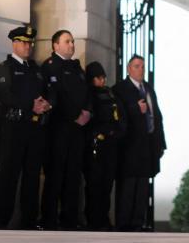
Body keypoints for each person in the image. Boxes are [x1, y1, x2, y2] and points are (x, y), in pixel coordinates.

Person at [0, 26, 51, 229]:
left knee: (32, 177)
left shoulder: (35, 69)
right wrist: (30, 105)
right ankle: (0, 221)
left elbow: (45, 93)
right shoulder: (5, 68)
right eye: (24, 42)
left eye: (30, 43)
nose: (28, 46)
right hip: (13, 129)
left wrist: (46, 104)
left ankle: (29, 221)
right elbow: (5, 95)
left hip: (34, 130)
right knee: (8, 176)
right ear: (14, 43)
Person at [40, 30, 91, 230]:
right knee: (55, 175)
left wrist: (87, 112)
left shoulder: (77, 68)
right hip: (58, 129)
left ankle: (70, 220)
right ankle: (49, 220)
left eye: (72, 41)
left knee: (73, 176)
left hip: (77, 130)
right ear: (55, 45)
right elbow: (56, 96)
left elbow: (87, 94)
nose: (72, 44)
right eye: (67, 41)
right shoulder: (50, 67)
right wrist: (75, 115)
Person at [114, 54, 165, 231]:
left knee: (143, 185)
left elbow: (157, 116)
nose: (140, 69)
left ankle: (138, 222)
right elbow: (118, 115)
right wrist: (136, 109)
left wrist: (161, 143)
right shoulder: (120, 88)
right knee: (128, 186)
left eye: (142, 66)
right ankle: (124, 224)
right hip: (129, 146)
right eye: (136, 66)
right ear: (129, 69)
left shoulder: (149, 88)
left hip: (147, 145)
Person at [83, 61, 126, 230]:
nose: (101, 81)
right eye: (98, 78)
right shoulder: (89, 96)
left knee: (107, 184)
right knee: (94, 184)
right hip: (95, 146)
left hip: (111, 145)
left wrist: (116, 132)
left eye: (103, 77)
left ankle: (103, 219)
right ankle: (93, 219)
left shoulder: (111, 94)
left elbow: (121, 118)